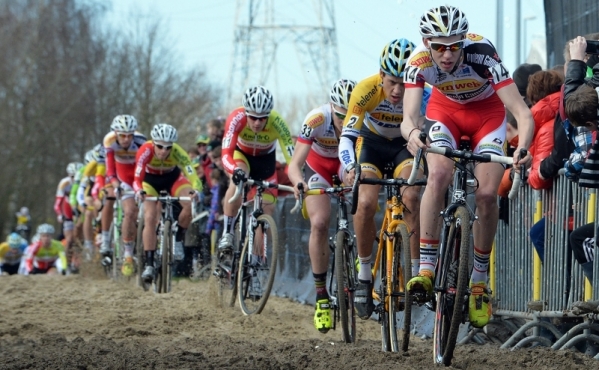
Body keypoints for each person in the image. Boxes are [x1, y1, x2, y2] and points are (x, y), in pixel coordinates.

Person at [402, 5, 533, 329]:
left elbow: (523, 114)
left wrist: (524, 149)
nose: (447, 55)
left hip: (486, 116)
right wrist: (413, 135)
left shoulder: (483, 54)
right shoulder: (417, 63)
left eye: (454, 46)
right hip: (445, 113)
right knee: (439, 175)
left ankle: (478, 281)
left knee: (488, 195)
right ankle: (427, 270)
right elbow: (408, 119)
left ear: (464, 41)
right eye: (439, 47)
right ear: (426, 42)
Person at [338, 38, 430, 320]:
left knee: (412, 195)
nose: (398, 90)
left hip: (404, 145)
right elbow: (347, 137)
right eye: (391, 82)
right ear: (381, 76)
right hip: (371, 145)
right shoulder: (365, 90)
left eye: (403, 83)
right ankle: (365, 276)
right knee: (365, 202)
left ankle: (416, 275)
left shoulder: (423, 92)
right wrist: (350, 166)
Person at [288, 78, 356, 332]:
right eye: (340, 116)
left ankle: (363, 260)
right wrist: (298, 183)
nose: (343, 123)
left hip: (345, 164)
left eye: (349, 117)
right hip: (319, 169)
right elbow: (294, 165)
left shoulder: (363, 117)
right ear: (331, 108)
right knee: (319, 222)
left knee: (366, 198)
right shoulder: (316, 119)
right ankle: (321, 296)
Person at [217, 86, 294, 252]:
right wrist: (234, 171)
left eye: (262, 118)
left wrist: (298, 179)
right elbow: (225, 154)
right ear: (246, 113)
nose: (257, 122)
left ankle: (257, 263)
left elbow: (292, 159)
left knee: (267, 209)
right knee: (237, 181)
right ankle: (228, 233)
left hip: (266, 163)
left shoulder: (278, 122)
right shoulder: (235, 118)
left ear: (269, 115)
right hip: (242, 156)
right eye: (253, 117)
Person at [134, 123, 202, 284]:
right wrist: (138, 190)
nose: (164, 151)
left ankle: (178, 238)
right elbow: (137, 177)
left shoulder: (178, 152)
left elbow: (192, 173)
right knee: (150, 217)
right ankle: (149, 264)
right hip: (150, 181)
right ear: (153, 143)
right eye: (160, 146)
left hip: (173, 178)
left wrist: (196, 190)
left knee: (189, 205)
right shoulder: (145, 150)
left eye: (168, 147)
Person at [102, 115, 147, 277]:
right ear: (115, 133)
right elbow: (109, 169)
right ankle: (128, 255)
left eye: (130, 135)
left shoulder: (142, 141)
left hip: (139, 177)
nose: (126, 139)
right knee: (129, 212)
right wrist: (115, 185)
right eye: (122, 135)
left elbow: (147, 166)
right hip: (122, 179)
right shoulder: (109, 141)